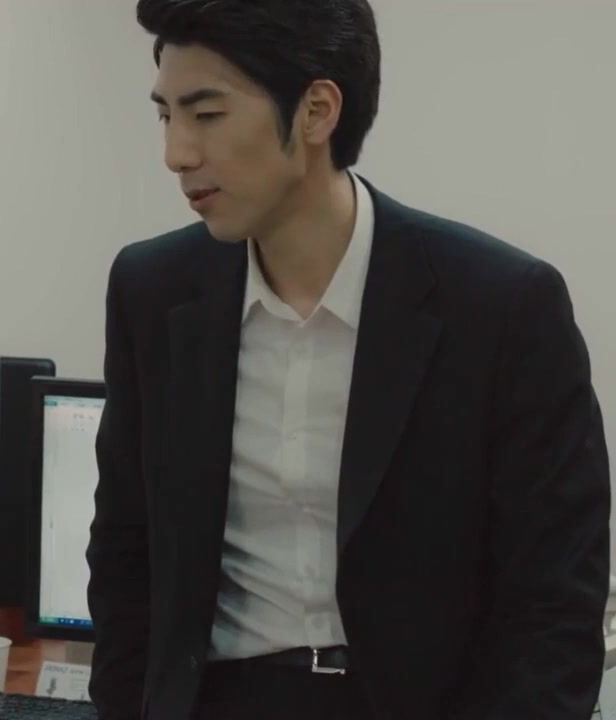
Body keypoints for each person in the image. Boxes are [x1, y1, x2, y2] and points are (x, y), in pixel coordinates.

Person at [86, 1, 610, 718]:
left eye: (206, 115)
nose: (177, 153)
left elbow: (555, 601)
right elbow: (125, 552)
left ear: (316, 111)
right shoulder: (153, 292)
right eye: (164, 116)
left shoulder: (501, 306)